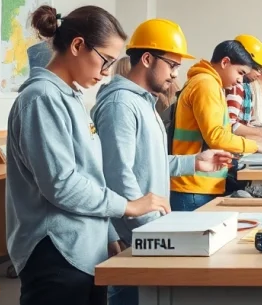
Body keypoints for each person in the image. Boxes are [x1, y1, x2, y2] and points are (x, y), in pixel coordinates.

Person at [6, 5, 170, 305]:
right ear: (78, 45)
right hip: (56, 252)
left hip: (84, 247)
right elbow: (62, 185)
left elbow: (91, 174)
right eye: (105, 60)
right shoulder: (41, 98)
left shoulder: (70, 97)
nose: (107, 72)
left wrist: (107, 234)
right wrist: (128, 207)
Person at [93, 19, 233, 305]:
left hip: (145, 233)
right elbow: (118, 175)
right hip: (134, 235)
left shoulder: (144, 103)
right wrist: (152, 231)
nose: (174, 75)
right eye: (172, 65)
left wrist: (193, 162)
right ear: (147, 58)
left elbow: (147, 161)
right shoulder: (121, 104)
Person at [169, 39, 262, 212]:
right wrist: (256, 146)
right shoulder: (206, 84)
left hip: (199, 183)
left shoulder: (211, 84)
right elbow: (216, 137)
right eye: (240, 72)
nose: (240, 80)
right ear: (225, 62)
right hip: (193, 186)